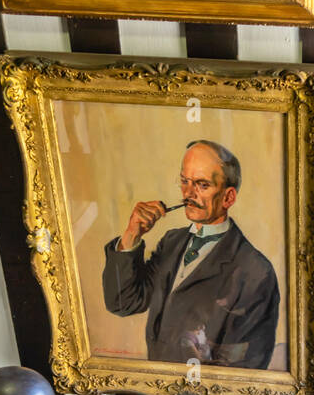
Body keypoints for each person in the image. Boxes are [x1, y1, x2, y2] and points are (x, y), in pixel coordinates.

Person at [102, 139, 280, 369]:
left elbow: (245, 368)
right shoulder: (172, 242)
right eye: (185, 181)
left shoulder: (255, 271)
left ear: (228, 198)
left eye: (202, 185)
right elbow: (123, 303)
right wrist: (131, 235)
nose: (188, 193)